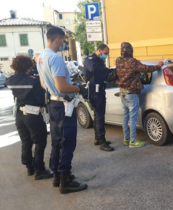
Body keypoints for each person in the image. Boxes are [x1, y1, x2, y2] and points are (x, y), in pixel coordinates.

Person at [37, 26, 87, 194]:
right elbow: (62, 86)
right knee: (68, 142)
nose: (64, 43)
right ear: (58, 39)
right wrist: (78, 88)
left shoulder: (40, 57)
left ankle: (58, 176)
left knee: (57, 142)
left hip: (53, 104)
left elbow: (44, 85)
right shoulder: (56, 58)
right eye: (64, 40)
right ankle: (65, 181)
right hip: (63, 106)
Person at [6, 55, 52, 180]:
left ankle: (29, 167)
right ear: (27, 66)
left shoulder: (10, 80)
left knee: (26, 141)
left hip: (19, 115)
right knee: (40, 141)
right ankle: (40, 170)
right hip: (33, 115)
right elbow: (41, 98)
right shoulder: (33, 80)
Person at [115, 42, 163, 148]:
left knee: (125, 117)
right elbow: (146, 69)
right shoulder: (132, 61)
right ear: (130, 50)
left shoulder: (118, 60)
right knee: (133, 118)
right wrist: (158, 66)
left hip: (122, 92)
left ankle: (126, 139)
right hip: (132, 93)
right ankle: (133, 141)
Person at [83, 44, 116, 152]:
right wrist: (105, 70)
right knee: (99, 116)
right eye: (105, 53)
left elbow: (104, 73)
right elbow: (94, 69)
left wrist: (111, 72)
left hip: (100, 90)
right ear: (99, 51)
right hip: (94, 91)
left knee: (98, 115)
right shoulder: (90, 59)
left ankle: (97, 138)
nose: (106, 55)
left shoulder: (99, 61)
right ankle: (102, 142)